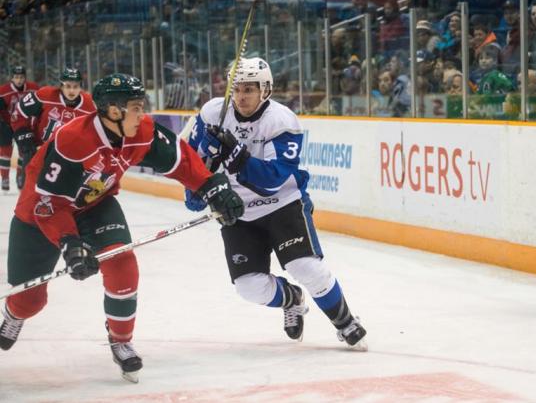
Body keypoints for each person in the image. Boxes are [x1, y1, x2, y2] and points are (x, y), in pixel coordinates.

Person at [0, 73, 244, 382]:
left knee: (122, 263)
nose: (143, 113)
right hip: (41, 212)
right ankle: (14, 314)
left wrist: (212, 188)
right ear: (113, 111)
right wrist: (70, 244)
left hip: (95, 204)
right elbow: (50, 206)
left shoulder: (140, 130)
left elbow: (180, 159)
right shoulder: (73, 141)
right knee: (30, 301)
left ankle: (121, 339)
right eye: (136, 106)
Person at [184, 58, 367, 349]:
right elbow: (191, 157)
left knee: (306, 267)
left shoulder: (282, 121)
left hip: (282, 204)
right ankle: (291, 298)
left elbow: (273, 178)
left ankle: (345, 322)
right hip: (237, 211)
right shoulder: (212, 113)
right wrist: (198, 186)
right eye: (237, 89)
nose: (241, 96)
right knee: (248, 287)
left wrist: (235, 155)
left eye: (249, 89)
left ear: (265, 89)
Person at [10, 68, 95, 171]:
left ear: (81, 87)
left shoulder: (90, 107)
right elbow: (18, 114)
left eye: (75, 86)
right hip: (37, 152)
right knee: (28, 185)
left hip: (66, 160)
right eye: (68, 86)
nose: (72, 90)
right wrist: (25, 137)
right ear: (61, 86)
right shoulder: (45, 95)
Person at [0, 65, 39, 191]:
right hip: (6, 125)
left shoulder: (33, 89)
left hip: (24, 125)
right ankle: (4, 178)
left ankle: (20, 176)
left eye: (21, 77)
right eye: (16, 77)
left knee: (24, 151)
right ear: (12, 78)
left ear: (25, 78)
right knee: (5, 152)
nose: (19, 80)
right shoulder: (3, 90)